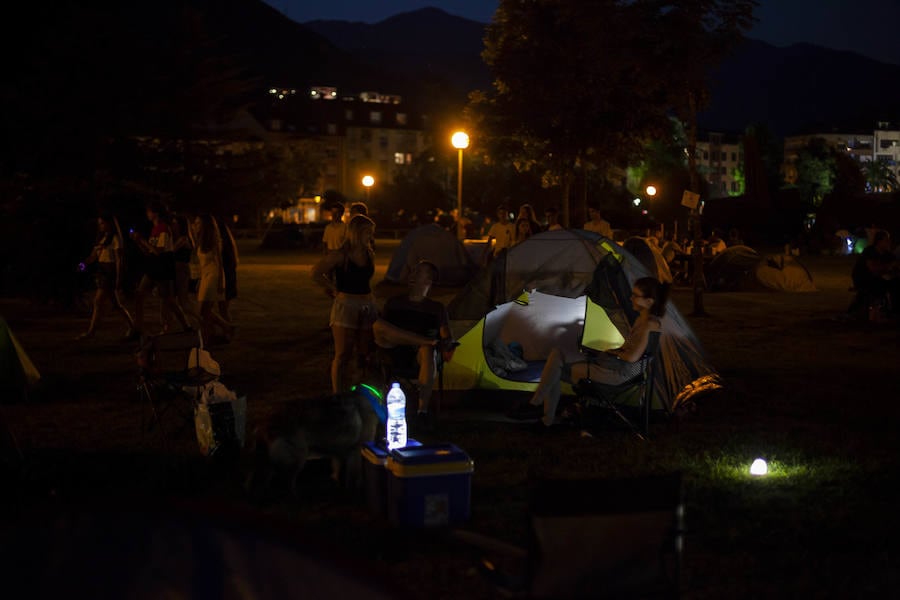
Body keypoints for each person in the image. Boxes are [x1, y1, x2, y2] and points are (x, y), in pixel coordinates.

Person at [512, 277, 670, 431]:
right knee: (557, 354)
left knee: (555, 369)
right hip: (613, 365)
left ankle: (542, 414)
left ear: (649, 302)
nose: (631, 298)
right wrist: (611, 351)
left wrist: (614, 353)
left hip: (617, 375)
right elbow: (628, 349)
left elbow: (632, 357)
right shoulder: (642, 320)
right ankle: (539, 407)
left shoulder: (649, 325)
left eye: (636, 295)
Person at [373, 261, 455, 430]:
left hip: (418, 356)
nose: (412, 276)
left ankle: (421, 412)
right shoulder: (394, 303)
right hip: (392, 349)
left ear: (429, 280)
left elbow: (446, 337)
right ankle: (423, 341)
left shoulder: (436, 308)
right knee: (376, 324)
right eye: (412, 272)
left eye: (418, 273)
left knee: (427, 350)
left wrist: (447, 344)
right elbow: (386, 331)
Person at [312, 214, 378, 393]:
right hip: (346, 305)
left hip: (367, 305)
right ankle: (338, 393)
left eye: (371, 233)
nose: (370, 237)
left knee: (364, 352)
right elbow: (317, 273)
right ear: (356, 233)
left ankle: (360, 390)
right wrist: (333, 289)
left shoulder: (369, 252)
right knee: (343, 354)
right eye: (367, 233)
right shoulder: (341, 255)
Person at [131, 200, 191, 337]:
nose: (147, 214)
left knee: (169, 299)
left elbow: (158, 251)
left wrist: (143, 241)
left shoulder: (163, 228)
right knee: (139, 294)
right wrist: (138, 242)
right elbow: (149, 252)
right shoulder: (155, 229)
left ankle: (187, 325)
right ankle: (138, 327)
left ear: (155, 213)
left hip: (163, 267)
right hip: (153, 266)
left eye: (149, 211)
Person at [76, 213, 136, 340]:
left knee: (98, 301)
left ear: (109, 223)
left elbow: (119, 260)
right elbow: (93, 256)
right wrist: (83, 265)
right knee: (116, 304)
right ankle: (133, 327)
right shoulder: (102, 238)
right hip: (102, 271)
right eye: (99, 223)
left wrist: (119, 277)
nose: (100, 226)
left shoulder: (115, 238)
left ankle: (91, 332)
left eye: (102, 223)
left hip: (110, 272)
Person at [190, 214, 234, 344]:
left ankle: (224, 328)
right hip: (205, 276)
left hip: (213, 276)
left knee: (204, 310)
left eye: (198, 223)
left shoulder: (214, 240)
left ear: (205, 225)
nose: (196, 225)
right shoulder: (200, 239)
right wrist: (199, 280)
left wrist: (221, 281)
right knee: (203, 311)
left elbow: (219, 263)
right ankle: (212, 334)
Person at [848, 230, 899, 318]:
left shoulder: (887, 254)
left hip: (879, 278)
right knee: (879, 285)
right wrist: (888, 267)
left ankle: (896, 310)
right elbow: (873, 269)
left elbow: (895, 265)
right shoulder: (870, 251)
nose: (889, 242)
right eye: (886, 240)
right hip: (864, 279)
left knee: (896, 283)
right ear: (879, 241)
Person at [167, 213, 200, 331]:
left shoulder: (184, 239)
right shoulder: (179, 238)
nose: (172, 226)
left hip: (181, 270)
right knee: (171, 300)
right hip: (176, 270)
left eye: (175, 224)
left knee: (184, 302)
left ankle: (203, 319)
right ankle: (172, 325)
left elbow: (171, 251)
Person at [216, 216, 240, 325]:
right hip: (228, 277)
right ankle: (227, 330)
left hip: (225, 278)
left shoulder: (221, 242)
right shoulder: (228, 242)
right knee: (223, 309)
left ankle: (228, 330)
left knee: (223, 309)